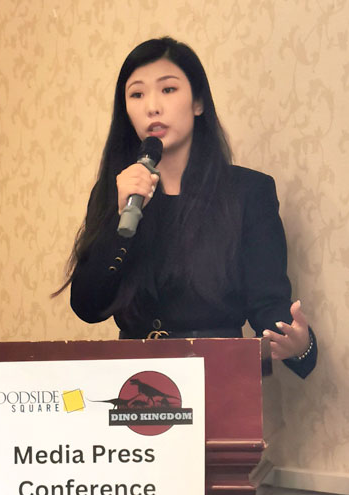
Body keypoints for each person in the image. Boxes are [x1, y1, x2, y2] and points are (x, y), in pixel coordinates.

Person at [61, 37, 316, 379]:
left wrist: (300, 345)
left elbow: (269, 307)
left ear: (198, 102)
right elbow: (88, 306)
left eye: (168, 90)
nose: (152, 107)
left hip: (220, 379)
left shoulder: (247, 192)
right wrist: (119, 220)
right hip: (134, 380)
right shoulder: (115, 193)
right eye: (137, 94)